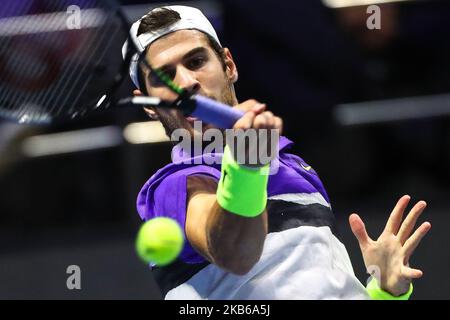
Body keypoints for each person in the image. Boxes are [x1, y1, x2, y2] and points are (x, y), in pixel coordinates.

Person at [125, 5, 431, 299]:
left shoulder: (296, 168)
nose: (186, 83)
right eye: (164, 77)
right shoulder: (174, 186)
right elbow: (235, 253)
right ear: (150, 105)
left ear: (228, 66)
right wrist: (247, 165)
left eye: (195, 62)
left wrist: (384, 292)